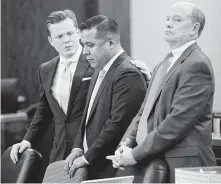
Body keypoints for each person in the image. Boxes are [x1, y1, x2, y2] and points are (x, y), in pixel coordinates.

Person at [107, 2, 216, 182]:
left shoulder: (197, 64)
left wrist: (134, 154)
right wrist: (124, 145)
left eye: (177, 19)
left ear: (194, 29)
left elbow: (176, 122)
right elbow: (143, 113)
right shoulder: (163, 63)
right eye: (167, 19)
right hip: (153, 161)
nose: (168, 24)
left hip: (184, 167)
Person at [64, 15, 147, 180]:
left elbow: (115, 125)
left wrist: (87, 158)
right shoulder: (99, 69)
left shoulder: (127, 73)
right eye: (83, 45)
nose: (85, 52)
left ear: (111, 43)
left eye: (90, 45)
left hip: (112, 170)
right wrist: (77, 148)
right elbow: (86, 117)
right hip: (92, 165)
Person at [10, 10, 94, 164]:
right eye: (60, 36)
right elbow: (44, 110)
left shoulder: (96, 62)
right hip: (59, 151)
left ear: (78, 33)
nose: (66, 40)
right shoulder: (46, 69)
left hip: (90, 151)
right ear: (51, 40)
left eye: (70, 33)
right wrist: (27, 141)